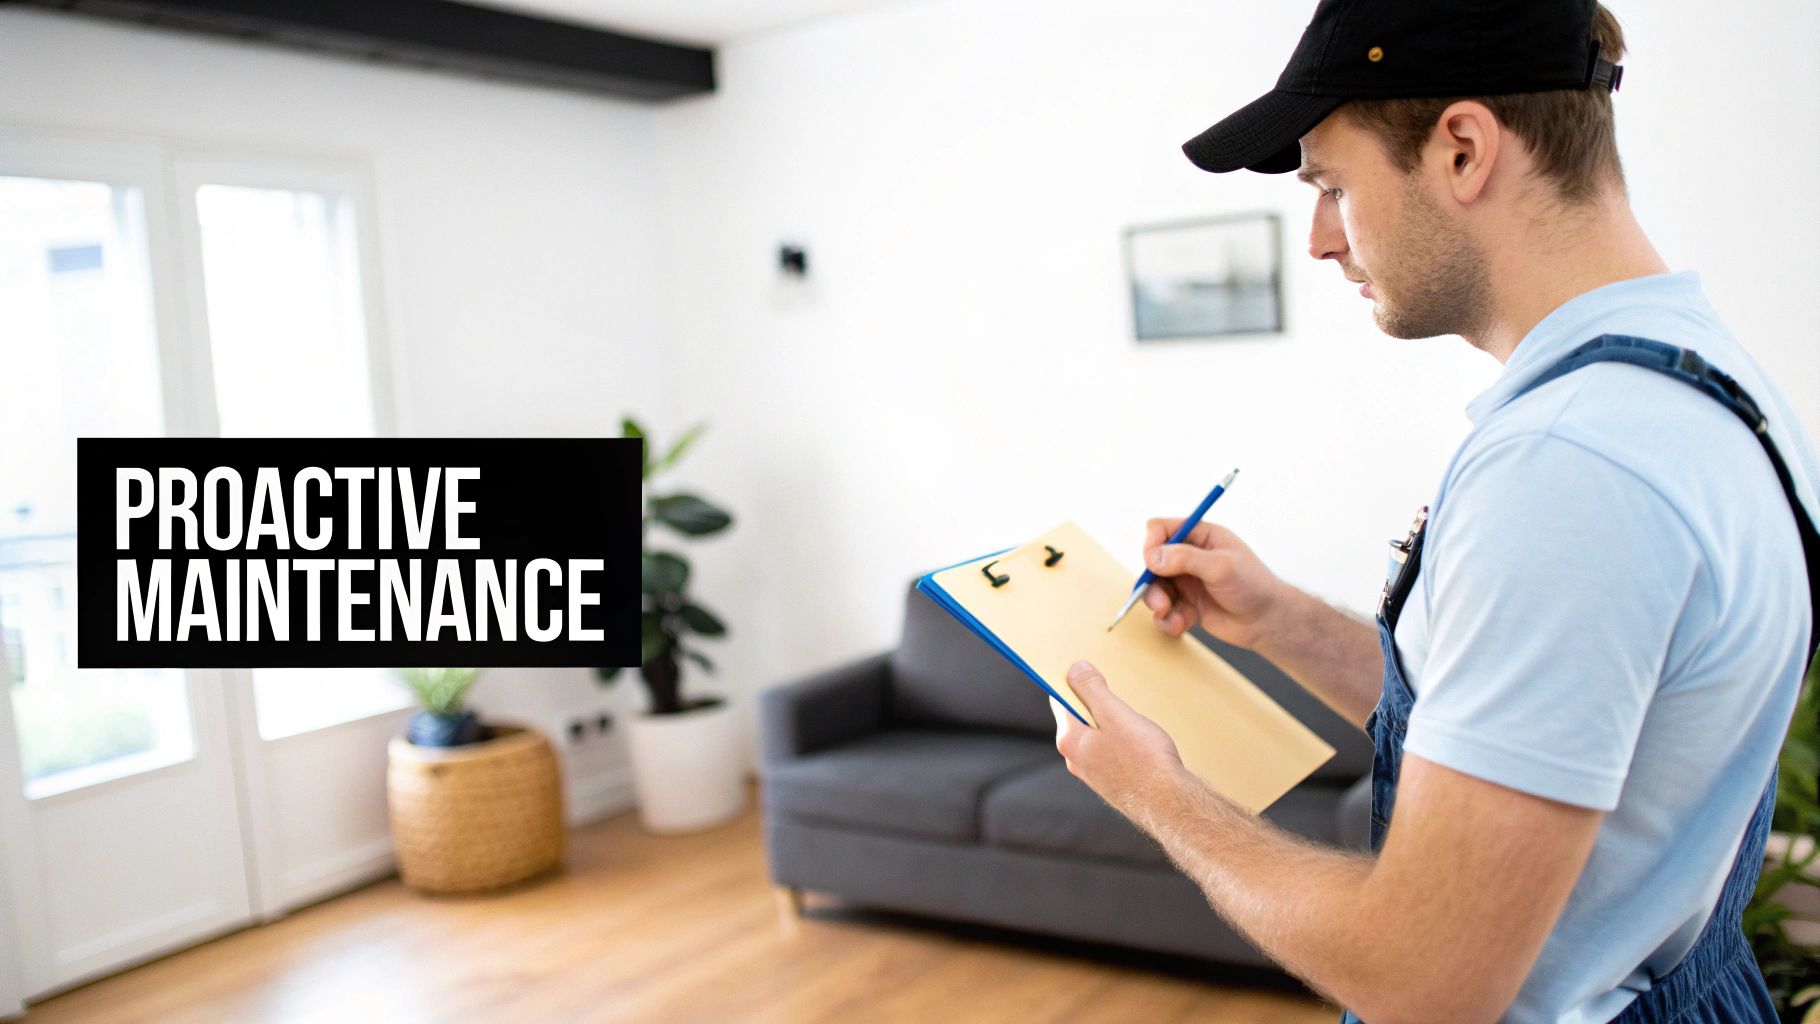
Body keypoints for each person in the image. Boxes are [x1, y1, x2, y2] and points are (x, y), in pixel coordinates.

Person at [1050, 2, 1820, 1021]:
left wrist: (1159, 795)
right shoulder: (1702, 383)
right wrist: (1279, 620)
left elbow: (1424, 976)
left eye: (1332, 186)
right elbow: (1545, 726)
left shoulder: (1567, 465)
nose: (1319, 240)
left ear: (1462, 149)